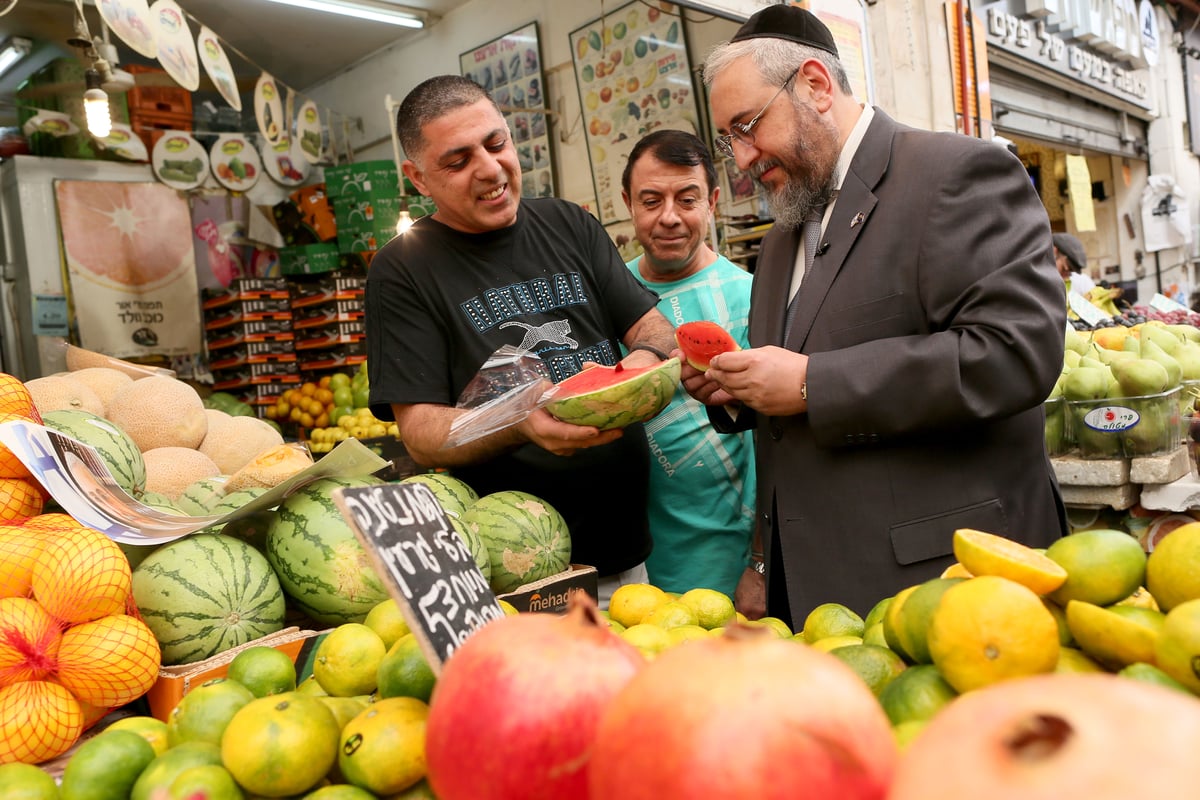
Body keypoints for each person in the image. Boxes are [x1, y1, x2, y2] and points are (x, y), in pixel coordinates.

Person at [685, 5, 1068, 625]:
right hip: (819, 592)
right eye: (730, 138)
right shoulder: (783, 230)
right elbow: (791, 382)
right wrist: (737, 390)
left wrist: (812, 384)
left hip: (945, 586)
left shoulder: (956, 173)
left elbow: (1016, 354)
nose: (743, 157)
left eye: (749, 125)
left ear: (814, 84)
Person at [365, 75, 678, 603]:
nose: (490, 169)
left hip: (629, 558)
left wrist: (643, 367)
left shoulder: (567, 223)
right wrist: (519, 421)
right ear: (417, 177)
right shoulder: (402, 270)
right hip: (518, 583)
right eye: (458, 161)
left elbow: (651, 329)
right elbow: (419, 430)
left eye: (496, 143)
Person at [620, 129, 757, 603]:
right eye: (652, 200)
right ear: (628, 203)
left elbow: (775, 443)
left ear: (713, 202)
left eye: (688, 199)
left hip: (728, 555)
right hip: (628, 559)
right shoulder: (612, 297)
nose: (670, 218)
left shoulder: (751, 297)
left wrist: (759, 563)